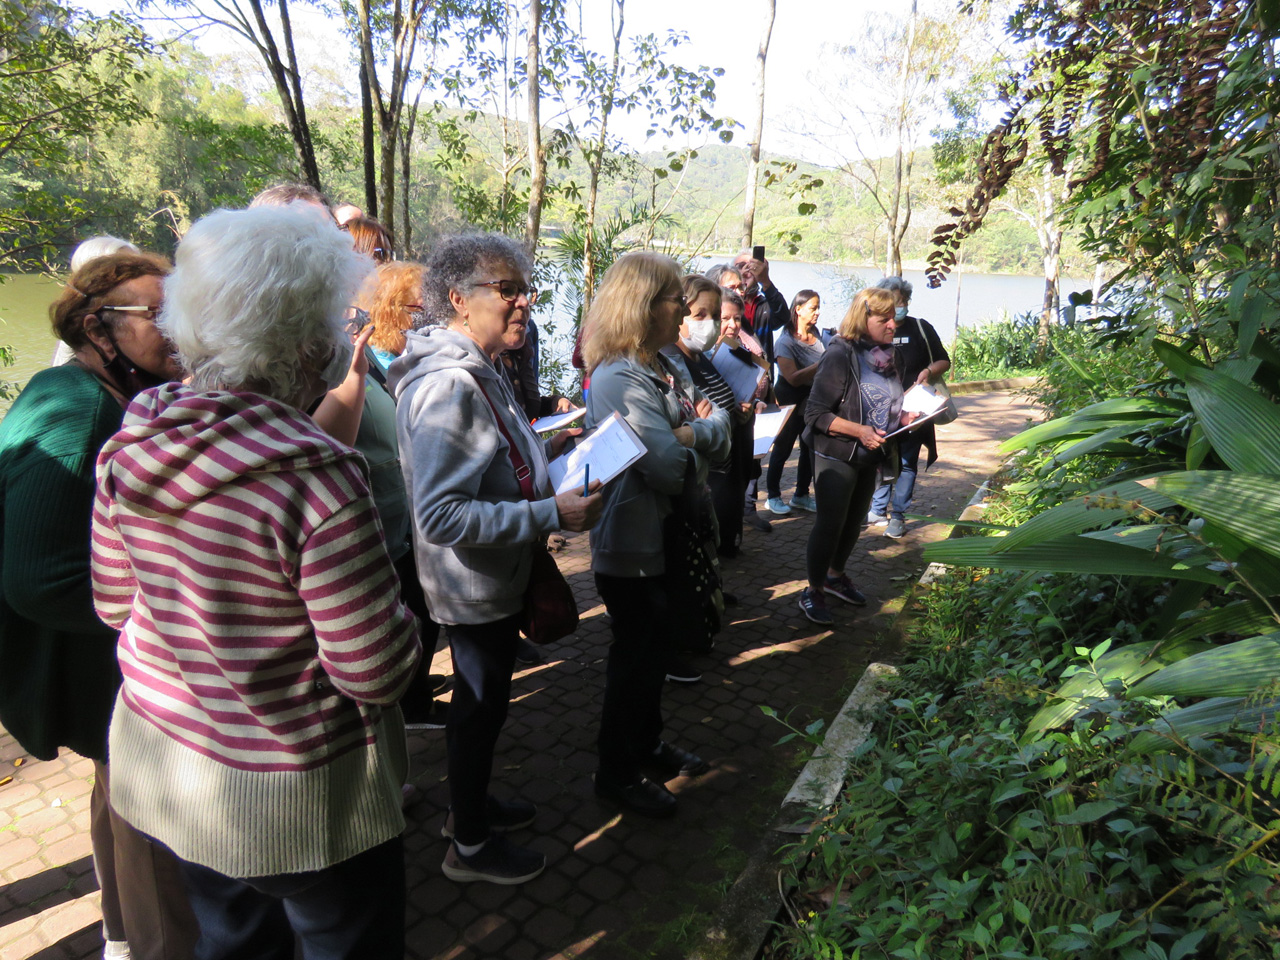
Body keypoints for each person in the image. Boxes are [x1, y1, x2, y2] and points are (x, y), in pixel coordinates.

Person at [90, 205, 422, 959]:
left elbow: (114, 605)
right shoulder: (318, 479)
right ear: (306, 345)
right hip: (299, 802)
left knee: (232, 943)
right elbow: (375, 671)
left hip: (179, 778)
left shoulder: (136, 436)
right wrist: (402, 619)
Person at [0, 251, 195, 960]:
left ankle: (121, 933)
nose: (177, 329)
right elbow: (37, 578)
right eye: (157, 315)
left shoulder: (101, 397)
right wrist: (164, 620)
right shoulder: (74, 410)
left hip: (104, 667)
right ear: (98, 328)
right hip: (95, 670)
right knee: (148, 822)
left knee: (121, 806)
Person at [390, 233, 602, 884]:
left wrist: (548, 447)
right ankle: (469, 846)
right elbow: (441, 515)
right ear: (458, 299)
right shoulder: (450, 384)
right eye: (506, 289)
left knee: (487, 710)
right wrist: (550, 514)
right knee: (479, 712)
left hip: (493, 575)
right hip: (471, 584)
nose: (523, 303)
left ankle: (469, 807)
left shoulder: (482, 367)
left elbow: (490, 463)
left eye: (525, 290)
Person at [582, 251, 731, 818]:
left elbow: (717, 424)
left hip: (663, 532)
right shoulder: (621, 376)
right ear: (645, 306)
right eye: (675, 300)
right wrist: (697, 433)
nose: (686, 311)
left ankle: (647, 745)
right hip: (630, 542)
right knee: (635, 660)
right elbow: (669, 467)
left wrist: (691, 431)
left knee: (652, 652)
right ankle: (616, 773)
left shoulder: (661, 367)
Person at [799, 287, 917, 626]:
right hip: (837, 454)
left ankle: (836, 577)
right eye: (884, 319)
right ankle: (813, 589)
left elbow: (888, 402)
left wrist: (905, 419)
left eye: (894, 317)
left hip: (872, 454)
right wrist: (859, 431)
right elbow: (816, 414)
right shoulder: (839, 354)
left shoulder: (887, 353)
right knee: (830, 524)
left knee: (854, 523)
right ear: (863, 319)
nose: (893, 325)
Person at [867, 275, 952, 539]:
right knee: (881, 457)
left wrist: (927, 370)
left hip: (916, 408)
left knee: (906, 462)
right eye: (892, 302)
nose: (897, 307)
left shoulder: (920, 328)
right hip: (883, 409)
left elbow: (943, 360)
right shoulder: (875, 330)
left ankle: (899, 515)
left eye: (902, 301)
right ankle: (877, 508)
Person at [765, 290, 826, 516]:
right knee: (782, 448)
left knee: (807, 446)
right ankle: (773, 496)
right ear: (798, 310)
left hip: (811, 400)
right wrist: (823, 364)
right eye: (813, 308)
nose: (818, 312)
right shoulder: (785, 341)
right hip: (789, 399)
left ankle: (801, 494)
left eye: (819, 307)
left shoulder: (817, 334)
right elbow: (791, 377)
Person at [731, 250, 789, 363]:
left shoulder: (764, 305)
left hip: (761, 372)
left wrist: (765, 281)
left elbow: (783, 317)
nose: (747, 270)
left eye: (753, 267)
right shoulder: (723, 305)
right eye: (741, 266)